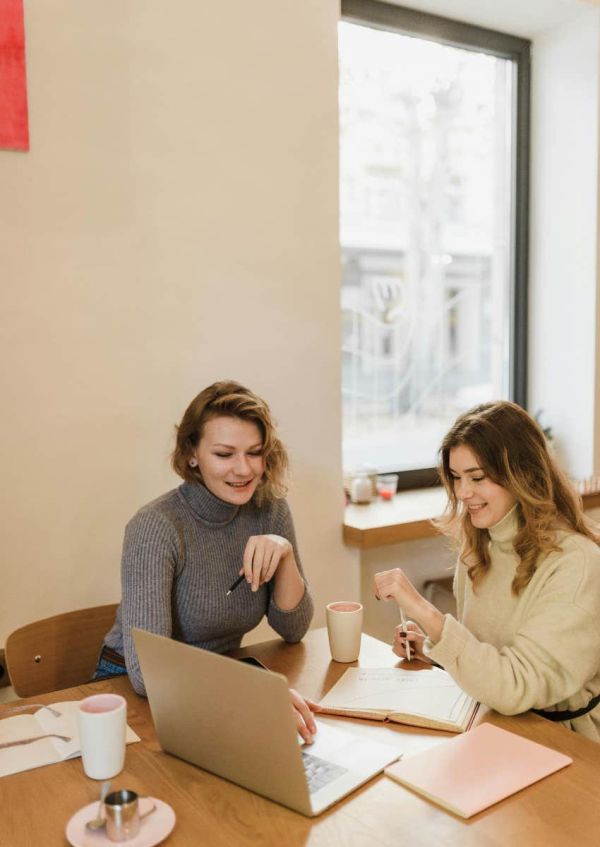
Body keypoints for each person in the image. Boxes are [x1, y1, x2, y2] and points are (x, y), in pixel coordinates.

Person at [96, 380, 317, 741]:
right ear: (192, 455)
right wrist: (252, 690)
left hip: (214, 682)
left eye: (254, 452)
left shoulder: (270, 510)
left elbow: (293, 629)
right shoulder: (156, 526)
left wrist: (286, 554)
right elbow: (146, 674)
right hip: (129, 692)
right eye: (224, 454)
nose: (243, 470)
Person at [374, 401, 600, 741]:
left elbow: (514, 686)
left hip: (567, 742)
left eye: (477, 477)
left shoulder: (576, 563)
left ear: (522, 474)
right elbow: (488, 661)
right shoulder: (480, 547)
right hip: (497, 723)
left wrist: (425, 612)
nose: (463, 493)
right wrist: (435, 652)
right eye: (456, 477)